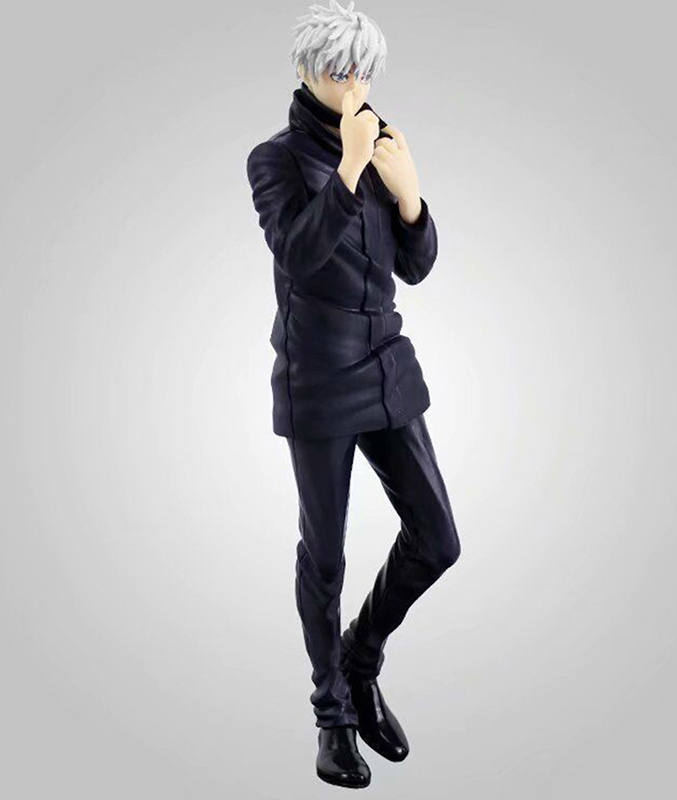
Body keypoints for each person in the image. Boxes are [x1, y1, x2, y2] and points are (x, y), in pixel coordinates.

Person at [246, 0, 461, 788]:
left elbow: (416, 266)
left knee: (438, 540)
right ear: (307, 69)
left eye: (362, 69)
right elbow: (299, 255)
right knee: (326, 556)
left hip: (387, 364)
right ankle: (332, 715)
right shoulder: (274, 160)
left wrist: (409, 197)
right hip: (319, 377)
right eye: (339, 69)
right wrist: (347, 168)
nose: (353, 83)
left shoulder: (379, 139)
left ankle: (360, 662)